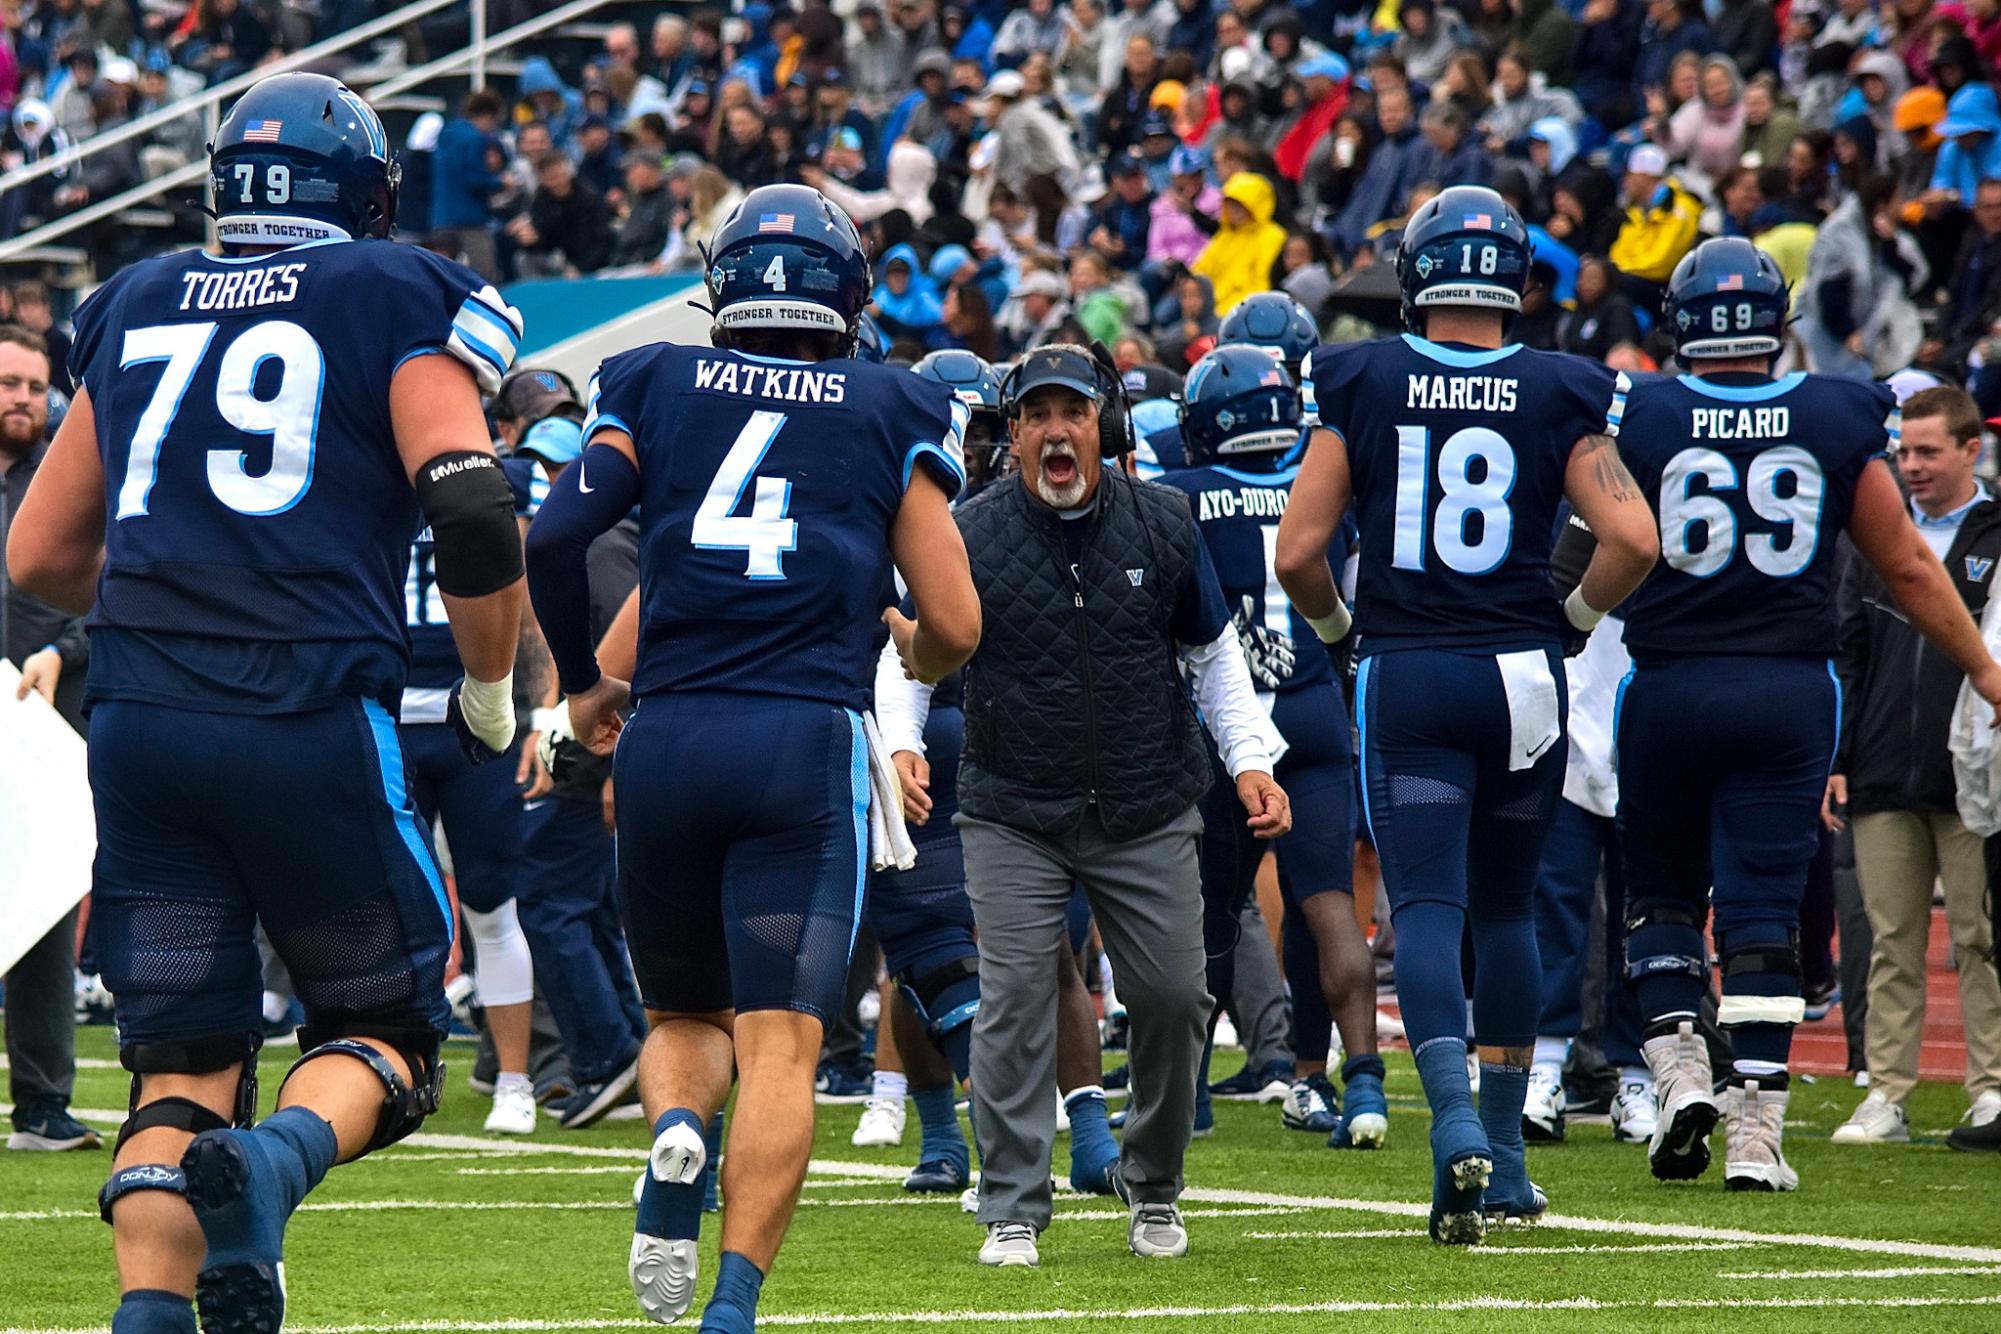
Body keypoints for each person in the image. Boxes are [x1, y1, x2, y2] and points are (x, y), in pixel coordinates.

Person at [4, 73, 529, 1333]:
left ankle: (149, 1315)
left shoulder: (131, 300)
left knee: (178, 1068)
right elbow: (467, 502)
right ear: (368, 193)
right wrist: (492, 688)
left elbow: (37, 560)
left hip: (141, 723)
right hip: (305, 710)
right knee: (388, 1030)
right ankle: (279, 1165)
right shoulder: (396, 287)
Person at [523, 183, 981, 1331]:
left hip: (670, 737)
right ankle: (731, 1303)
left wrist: (582, 687)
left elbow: (557, 533)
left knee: (684, 1014)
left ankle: (677, 1129)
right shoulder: (891, 400)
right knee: (780, 1039)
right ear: (851, 293)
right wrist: (914, 654)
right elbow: (959, 623)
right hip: (799, 745)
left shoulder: (656, 378)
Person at [1276, 184, 1659, 1244]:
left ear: (1418, 271)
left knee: (1431, 905)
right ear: (1516, 276)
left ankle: (1454, 1127)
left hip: (1414, 668)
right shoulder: (1564, 383)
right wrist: (1572, 618)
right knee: (1508, 907)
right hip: (1525, 675)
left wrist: (1344, 633)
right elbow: (1634, 539)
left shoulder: (1363, 373)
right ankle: (1510, 1154)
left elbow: (1298, 550)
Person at [1606, 243, 2001, 1192]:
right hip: (1786, 692)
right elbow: (1906, 566)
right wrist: (1985, 670)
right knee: (1762, 910)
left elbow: (1600, 544)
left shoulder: (1643, 411)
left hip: (1665, 683)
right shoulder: (1831, 410)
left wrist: (1564, 625)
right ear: (1778, 322)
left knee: (1658, 890)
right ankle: (1754, 1132)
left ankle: (1676, 1076)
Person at [933, 341, 1288, 1269]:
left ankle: (1154, 1182)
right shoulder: (966, 532)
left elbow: (1214, 658)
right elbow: (910, 650)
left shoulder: (1167, 522)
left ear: (1105, 426)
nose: (1057, 431)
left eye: (1074, 413)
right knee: (1010, 998)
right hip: (1012, 802)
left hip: (1147, 798)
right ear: (1011, 434)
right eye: (1038, 416)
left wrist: (1249, 762)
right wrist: (896, 744)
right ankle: (1012, 1199)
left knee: (1174, 995)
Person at [1159, 345, 1389, 1150]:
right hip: (1312, 709)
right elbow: (1352, 605)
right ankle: (1360, 1084)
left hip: (1225, 725)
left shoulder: (1176, 495)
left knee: (1210, 913)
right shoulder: (1323, 489)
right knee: (1327, 902)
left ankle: (1185, 1097)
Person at [1826, 383, 2001, 1146]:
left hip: (1975, 773)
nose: (1911, 466)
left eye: (1927, 451)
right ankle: (1885, 1091)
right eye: (1902, 452)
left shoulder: (1996, 534)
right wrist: (1838, 756)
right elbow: (1848, 649)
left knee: (1978, 936)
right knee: (1889, 939)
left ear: (1970, 449)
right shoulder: (1874, 533)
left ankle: (1989, 1088)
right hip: (1880, 768)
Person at [0, 324, 93, 1156]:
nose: (22, 399)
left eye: (33, 385)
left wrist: (63, 650)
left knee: (42, 905)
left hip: (44, 726)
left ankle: (43, 1104)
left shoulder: (67, 481)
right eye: (7, 384)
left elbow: (112, 590)